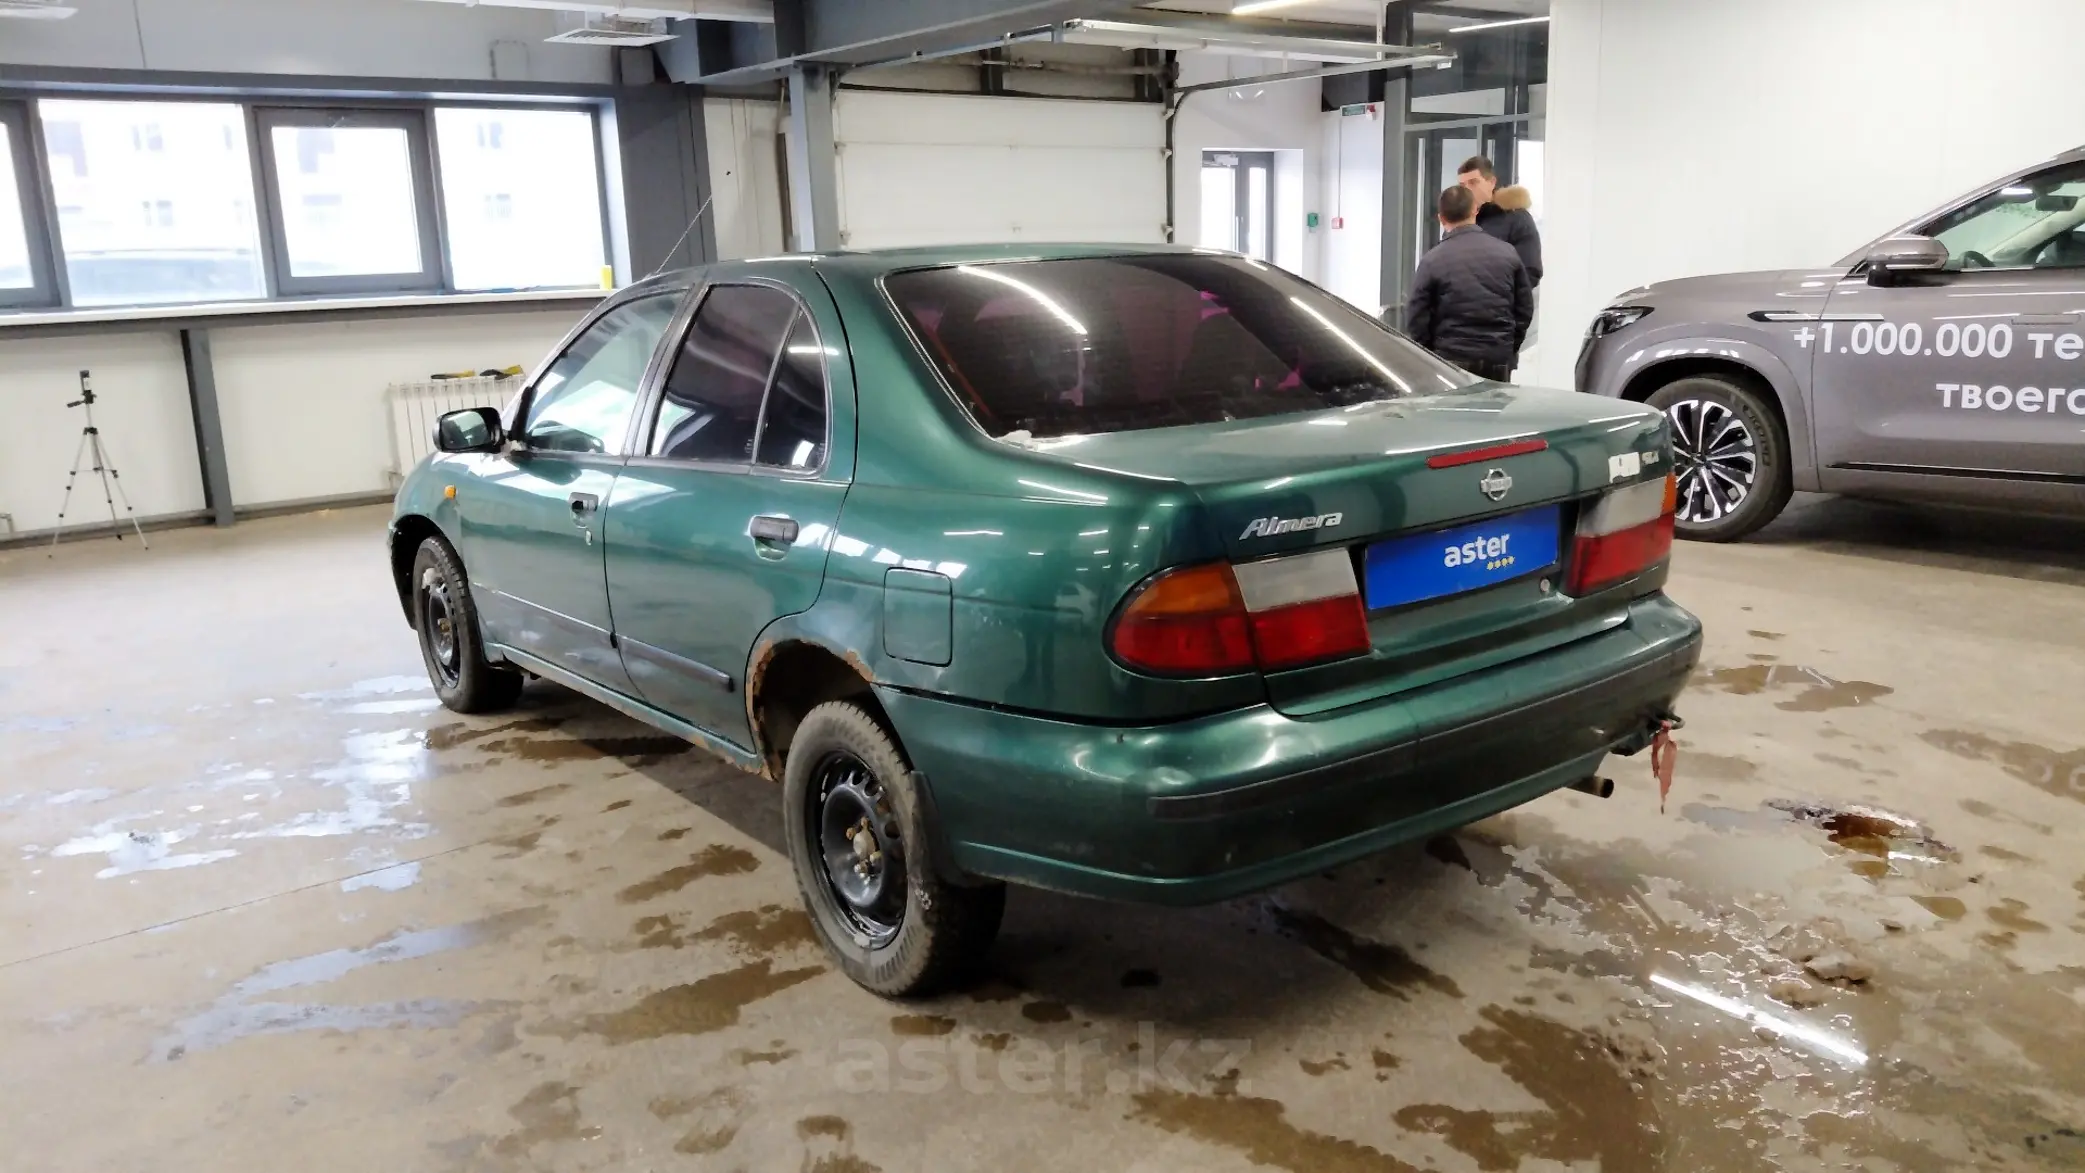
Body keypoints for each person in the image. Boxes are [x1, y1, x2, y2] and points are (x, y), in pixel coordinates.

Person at [1403, 184, 1532, 383]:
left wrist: (1430, 354)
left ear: (1441, 218)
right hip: (1497, 357)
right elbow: (1524, 309)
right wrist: (1508, 346)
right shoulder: (1508, 253)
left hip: (1450, 359)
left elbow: (1417, 316)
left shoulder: (1432, 260)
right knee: (1494, 404)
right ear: (1475, 210)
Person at [1456, 156, 1542, 287]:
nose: (1467, 189)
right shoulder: (1458, 220)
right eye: (1462, 185)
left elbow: (1529, 271)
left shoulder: (1517, 218)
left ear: (1492, 182)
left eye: (1473, 183)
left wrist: (1495, 294)